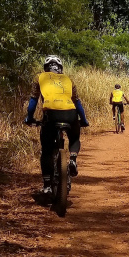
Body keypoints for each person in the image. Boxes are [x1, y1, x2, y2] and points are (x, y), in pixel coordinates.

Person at [24, 55, 89, 197]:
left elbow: (33, 102)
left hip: (51, 116)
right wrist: (83, 120)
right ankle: (72, 159)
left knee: (47, 149)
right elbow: (78, 103)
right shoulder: (68, 79)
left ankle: (47, 186)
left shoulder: (39, 77)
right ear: (60, 69)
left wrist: (29, 118)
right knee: (75, 138)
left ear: (46, 68)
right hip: (71, 114)